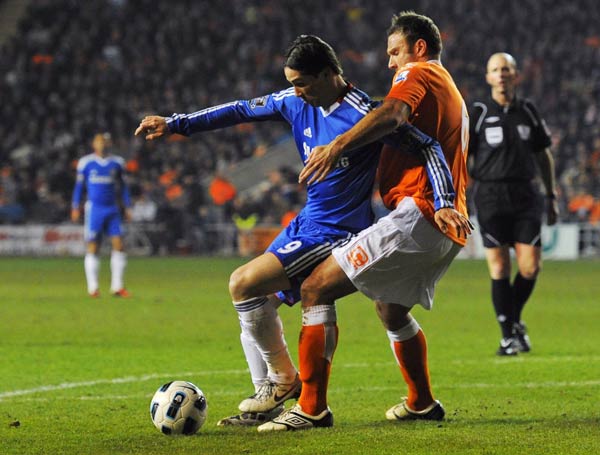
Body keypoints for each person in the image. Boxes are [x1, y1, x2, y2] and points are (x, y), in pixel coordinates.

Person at [135, 35, 446, 426]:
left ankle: (283, 383)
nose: (295, 90)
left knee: (242, 283)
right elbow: (238, 110)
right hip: (308, 220)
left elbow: (427, 146)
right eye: (292, 82)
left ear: (330, 74)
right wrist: (177, 123)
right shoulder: (293, 100)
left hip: (338, 230)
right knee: (257, 303)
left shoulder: (365, 113)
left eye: (302, 82)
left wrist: (446, 201)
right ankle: (271, 397)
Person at [258, 11, 473, 431]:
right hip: (446, 223)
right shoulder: (451, 90)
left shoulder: (421, 74)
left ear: (420, 48)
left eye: (395, 52)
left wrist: (337, 145)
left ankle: (311, 408)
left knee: (316, 287)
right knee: (390, 310)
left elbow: (392, 114)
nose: (391, 62)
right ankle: (422, 403)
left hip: (421, 214)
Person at [467, 52, 558, 356]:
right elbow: (464, 158)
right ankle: (508, 336)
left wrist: (551, 195)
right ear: (488, 77)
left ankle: (514, 321)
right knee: (499, 267)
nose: (501, 74)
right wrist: (460, 196)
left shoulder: (528, 111)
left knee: (531, 267)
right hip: (490, 196)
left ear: (516, 75)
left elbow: (543, 154)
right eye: (495, 69)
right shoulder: (478, 112)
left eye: (506, 69)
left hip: (525, 196)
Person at [71, 132, 132, 297]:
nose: (103, 144)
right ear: (94, 144)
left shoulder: (117, 163)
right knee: (93, 246)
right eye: (99, 141)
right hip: (95, 209)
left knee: (119, 244)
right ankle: (93, 288)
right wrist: (75, 206)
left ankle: (117, 287)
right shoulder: (86, 163)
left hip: (112, 209)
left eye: (105, 141)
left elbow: (124, 187)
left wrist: (127, 206)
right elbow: (79, 187)